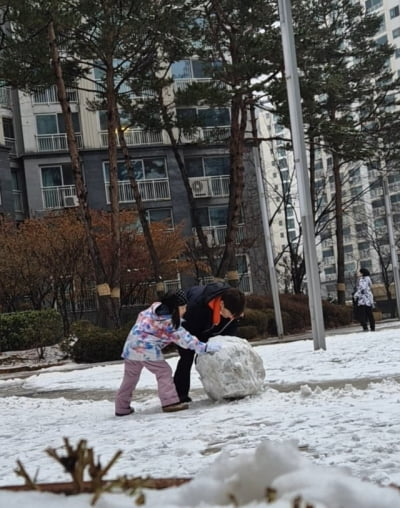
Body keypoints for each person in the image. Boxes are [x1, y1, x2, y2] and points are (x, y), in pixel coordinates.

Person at [114, 289, 221, 416]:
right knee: (164, 372)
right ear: (175, 309)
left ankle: (121, 407)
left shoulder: (152, 310)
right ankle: (169, 402)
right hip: (147, 350)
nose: (185, 310)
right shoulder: (169, 324)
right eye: (183, 308)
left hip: (130, 348)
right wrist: (205, 348)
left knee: (130, 378)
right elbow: (187, 340)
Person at [174, 281, 246, 403]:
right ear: (222, 305)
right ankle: (179, 395)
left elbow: (232, 323)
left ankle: (232, 387)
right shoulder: (195, 307)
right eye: (231, 315)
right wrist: (201, 348)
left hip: (210, 320)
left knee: (225, 351)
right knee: (187, 356)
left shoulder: (233, 300)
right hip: (188, 325)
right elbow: (185, 335)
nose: (232, 318)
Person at [353, 267, 375, 332]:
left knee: (362, 314)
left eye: (359, 272)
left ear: (362, 273)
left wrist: (356, 295)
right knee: (369, 314)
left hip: (363, 299)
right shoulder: (367, 278)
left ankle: (365, 327)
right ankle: (372, 327)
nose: (358, 273)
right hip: (368, 298)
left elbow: (362, 288)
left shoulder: (363, 279)